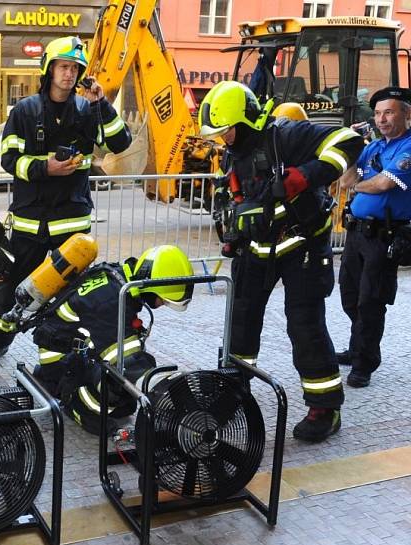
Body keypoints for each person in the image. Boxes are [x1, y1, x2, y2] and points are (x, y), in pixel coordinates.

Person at [199, 80, 364, 443]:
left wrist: (304, 176)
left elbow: (348, 143)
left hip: (301, 244)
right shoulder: (232, 154)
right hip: (255, 249)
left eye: (225, 131)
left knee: (304, 325)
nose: (222, 139)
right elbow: (234, 198)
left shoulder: (286, 136)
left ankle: (325, 406)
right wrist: (233, 232)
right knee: (240, 324)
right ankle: (232, 393)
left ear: (243, 121)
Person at [0, 35, 132, 368]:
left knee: (73, 295)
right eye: (63, 66)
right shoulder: (25, 110)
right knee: (12, 290)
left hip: (72, 225)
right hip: (29, 223)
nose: (69, 74)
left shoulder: (89, 108)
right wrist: (44, 168)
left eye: (75, 68)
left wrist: (102, 104)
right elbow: (9, 160)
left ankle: (64, 355)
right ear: (49, 69)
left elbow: (121, 142)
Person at [32, 245, 194, 435]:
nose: (162, 305)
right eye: (163, 300)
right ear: (151, 287)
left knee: (126, 401)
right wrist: (165, 387)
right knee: (116, 390)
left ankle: (54, 380)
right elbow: (128, 361)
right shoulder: (110, 302)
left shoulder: (118, 278)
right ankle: (74, 400)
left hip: (70, 348)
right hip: (61, 360)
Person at [337, 87, 411, 388]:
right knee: (349, 296)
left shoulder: (407, 149)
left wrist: (358, 184)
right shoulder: (373, 148)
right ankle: (358, 347)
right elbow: (345, 180)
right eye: (378, 113)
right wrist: (353, 149)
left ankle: (364, 363)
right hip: (356, 233)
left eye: (389, 112)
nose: (381, 119)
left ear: (407, 114)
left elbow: (381, 184)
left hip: (384, 237)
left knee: (371, 301)